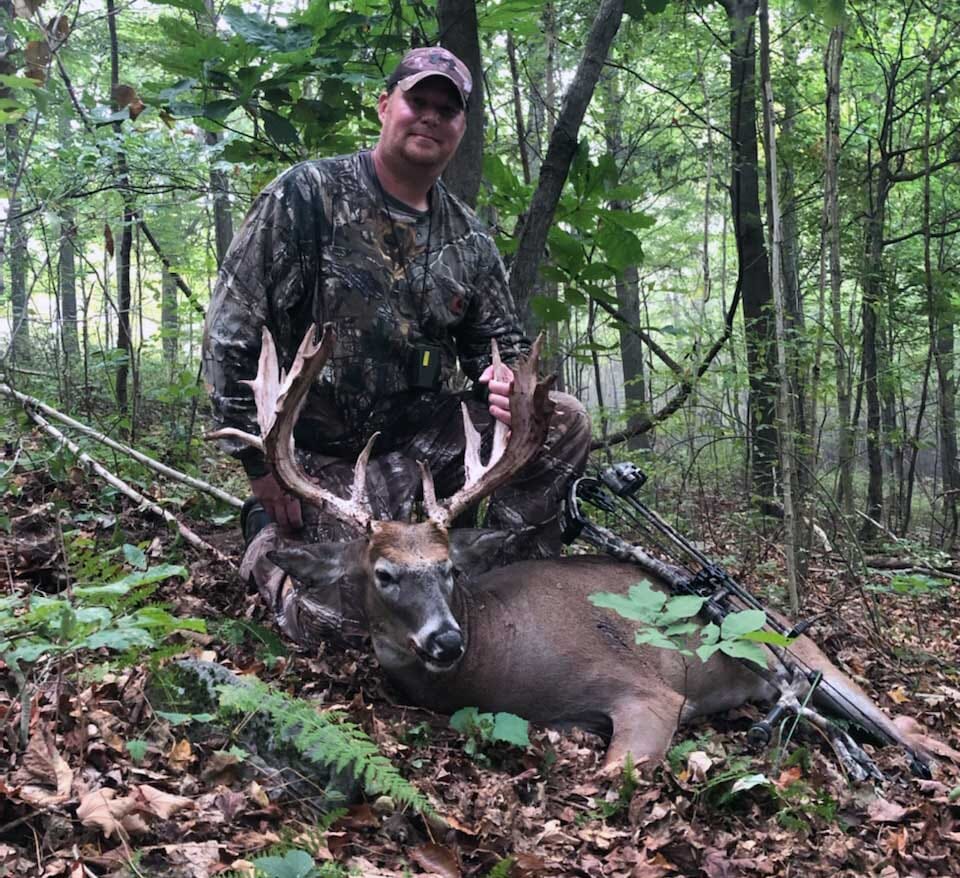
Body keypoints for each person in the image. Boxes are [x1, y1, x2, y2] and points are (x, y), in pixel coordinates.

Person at [203, 47, 591, 638]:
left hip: (414, 447)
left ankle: (508, 590)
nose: (430, 117)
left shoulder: (469, 241)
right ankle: (266, 532)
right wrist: (262, 468)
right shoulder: (306, 195)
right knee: (340, 622)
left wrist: (510, 384)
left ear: (461, 128)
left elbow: (504, 353)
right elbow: (232, 333)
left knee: (562, 419)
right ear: (386, 106)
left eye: (448, 108)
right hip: (315, 456)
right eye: (418, 101)